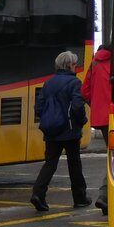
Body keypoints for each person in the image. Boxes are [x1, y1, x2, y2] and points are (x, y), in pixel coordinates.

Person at [30, 50, 90, 212]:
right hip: (70, 129)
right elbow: (78, 106)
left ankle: (38, 193)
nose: (75, 66)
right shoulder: (74, 83)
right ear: (69, 65)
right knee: (74, 163)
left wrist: (48, 120)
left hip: (51, 129)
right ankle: (80, 197)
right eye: (74, 64)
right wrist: (82, 121)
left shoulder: (49, 83)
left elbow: (39, 107)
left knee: (50, 162)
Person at [81, 43, 112, 215]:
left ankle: (106, 195)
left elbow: (84, 91)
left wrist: (95, 105)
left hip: (100, 117)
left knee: (112, 155)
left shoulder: (95, 63)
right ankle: (104, 195)